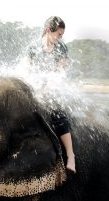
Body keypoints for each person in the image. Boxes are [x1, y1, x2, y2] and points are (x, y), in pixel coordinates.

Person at [27, 16, 76, 173]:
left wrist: (48, 89)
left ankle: (70, 155)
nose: (60, 37)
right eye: (59, 34)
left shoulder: (62, 48)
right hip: (36, 87)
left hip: (54, 89)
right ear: (49, 30)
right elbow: (29, 72)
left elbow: (60, 73)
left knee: (57, 113)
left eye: (62, 35)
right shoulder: (33, 48)